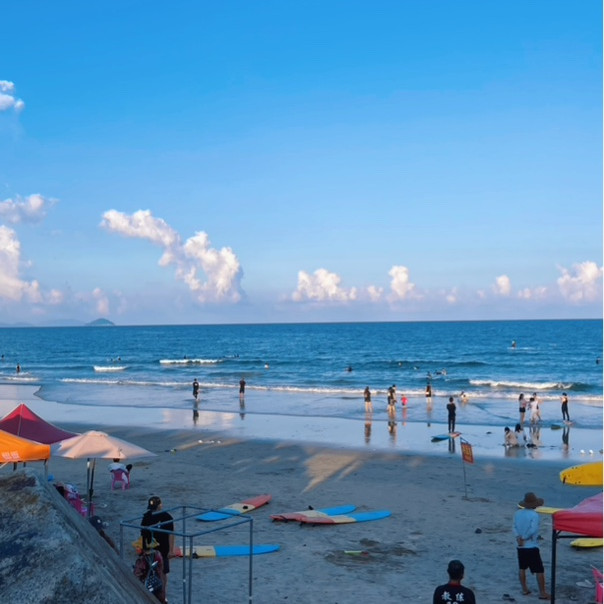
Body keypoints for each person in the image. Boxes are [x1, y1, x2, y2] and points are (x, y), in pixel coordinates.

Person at [513, 491, 551, 599]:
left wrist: (518, 537)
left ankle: (524, 589)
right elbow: (533, 529)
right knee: (539, 570)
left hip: (520, 545)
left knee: (522, 567)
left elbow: (514, 527)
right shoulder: (534, 515)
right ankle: (542, 592)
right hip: (531, 545)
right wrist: (524, 537)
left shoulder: (517, 513)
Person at [141, 496, 174, 598]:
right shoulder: (148, 517)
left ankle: (162, 593)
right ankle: (158, 593)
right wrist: (144, 549)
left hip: (160, 549)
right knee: (154, 571)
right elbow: (143, 534)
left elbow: (171, 534)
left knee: (162, 571)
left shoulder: (166, 517)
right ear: (160, 505)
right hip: (153, 549)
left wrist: (170, 550)